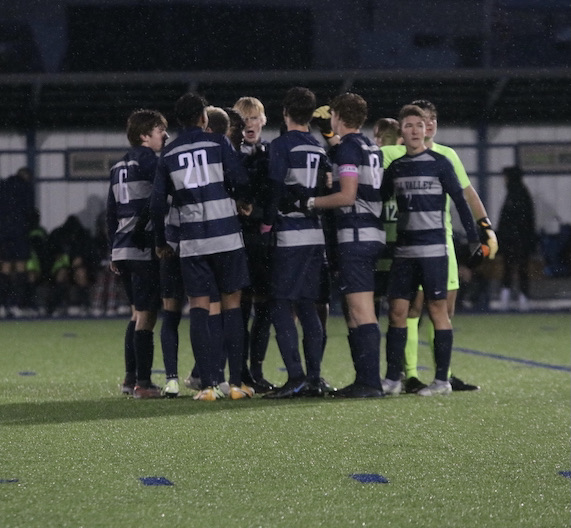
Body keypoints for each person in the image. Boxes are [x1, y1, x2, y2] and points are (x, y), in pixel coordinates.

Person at [381, 99, 497, 394]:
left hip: (436, 250)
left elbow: (462, 199)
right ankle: (397, 377)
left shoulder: (443, 161)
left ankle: (442, 379)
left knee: (439, 310)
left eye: (422, 124)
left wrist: (476, 236)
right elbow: (378, 200)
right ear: (401, 132)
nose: (418, 129)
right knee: (399, 311)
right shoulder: (394, 164)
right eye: (410, 125)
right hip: (405, 251)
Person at [150, 92, 253, 401]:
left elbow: (157, 204)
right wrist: (244, 200)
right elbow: (239, 179)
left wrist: (160, 241)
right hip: (225, 236)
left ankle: (207, 385)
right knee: (232, 306)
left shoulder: (169, 153)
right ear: (204, 118)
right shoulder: (219, 143)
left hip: (192, 242)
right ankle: (235, 383)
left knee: (199, 307)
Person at [301, 92, 386, 398]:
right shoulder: (368, 145)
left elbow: (347, 196)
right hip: (369, 232)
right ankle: (363, 379)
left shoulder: (350, 147)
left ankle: (370, 382)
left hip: (356, 234)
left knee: (361, 311)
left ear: (337, 115)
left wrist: (311, 201)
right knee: (355, 311)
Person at [260, 86, 330, 398]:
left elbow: (275, 187)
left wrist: (266, 222)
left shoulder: (281, 145)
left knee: (280, 303)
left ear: (286, 114)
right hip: (315, 235)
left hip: (289, 236)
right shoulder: (318, 147)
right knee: (308, 305)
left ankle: (296, 376)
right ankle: (315, 377)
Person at [107, 109, 168, 399]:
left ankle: (130, 379)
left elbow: (110, 213)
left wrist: (112, 250)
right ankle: (143, 383)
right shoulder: (149, 161)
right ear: (145, 135)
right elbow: (159, 199)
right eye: (159, 130)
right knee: (147, 315)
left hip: (122, 247)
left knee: (136, 314)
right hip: (141, 246)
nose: (164, 135)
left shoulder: (118, 165)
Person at [232, 96, 275, 393]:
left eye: (254, 117)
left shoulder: (271, 152)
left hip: (264, 238)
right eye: (244, 119)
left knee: (264, 308)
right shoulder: (229, 154)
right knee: (240, 308)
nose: (249, 124)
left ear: (263, 120)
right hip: (237, 238)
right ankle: (240, 371)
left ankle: (256, 371)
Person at [497, 165, 536, 311]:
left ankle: (515, 299)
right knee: (518, 269)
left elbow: (512, 221)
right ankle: (519, 298)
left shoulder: (517, 194)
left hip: (516, 240)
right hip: (519, 240)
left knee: (515, 269)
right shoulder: (519, 193)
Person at [0, 166, 35, 317]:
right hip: (20, 231)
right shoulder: (26, 188)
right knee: (21, 268)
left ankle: (2, 305)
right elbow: (29, 210)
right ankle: (16, 305)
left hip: (3, 232)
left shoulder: (3, 186)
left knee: (5, 268)